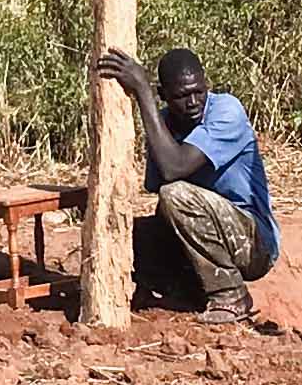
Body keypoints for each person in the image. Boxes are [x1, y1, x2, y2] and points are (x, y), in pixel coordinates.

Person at [91, 45, 277, 324]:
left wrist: (142, 93)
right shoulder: (164, 123)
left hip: (253, 242)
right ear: (164, 95)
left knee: (175, 194)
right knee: (126, 231)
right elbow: (158, 194)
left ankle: (231, 295)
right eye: (181, 96)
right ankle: (187, 292)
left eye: (198, 92)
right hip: (208, 233)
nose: (193, 102)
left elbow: (173, 169)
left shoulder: (227, 111)